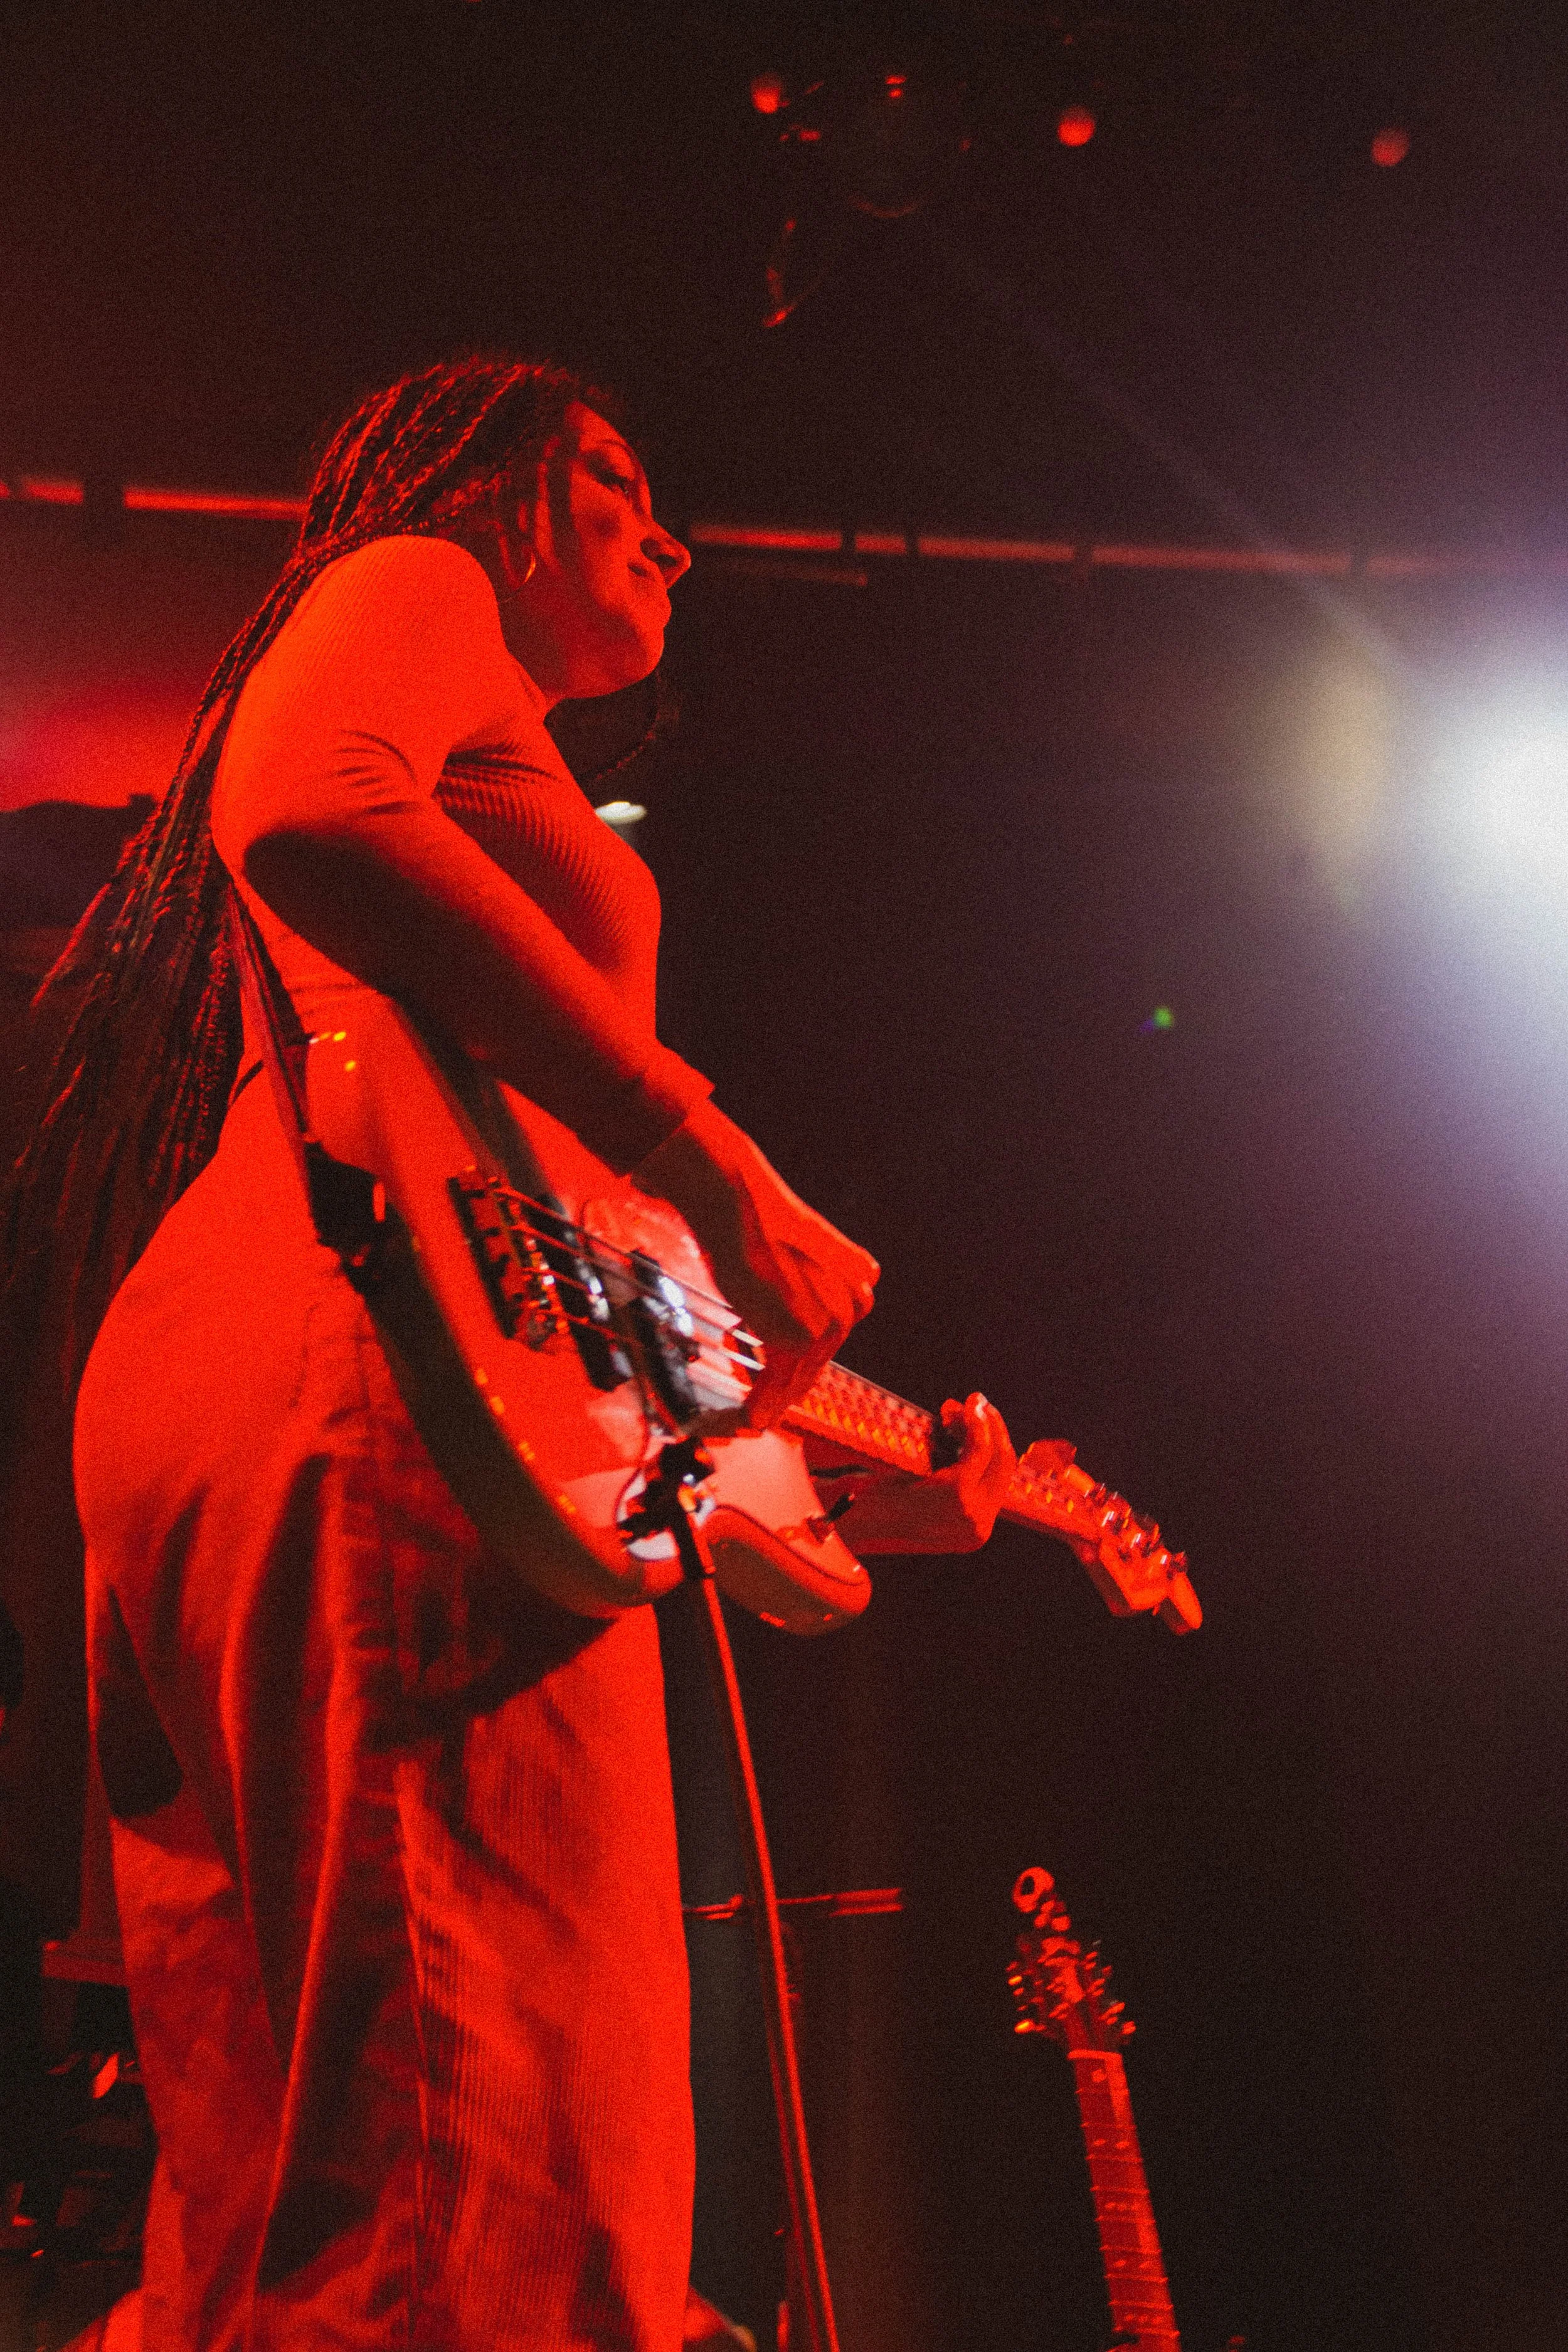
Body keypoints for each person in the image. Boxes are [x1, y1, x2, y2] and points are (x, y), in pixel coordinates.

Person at [8, 356, 1016, 2352]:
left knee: (283, 2185)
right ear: (482, 485)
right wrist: (705, 1150)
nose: (672, 533)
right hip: (361, 1363)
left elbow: (576, 1368)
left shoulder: (462, 831)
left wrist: (885, 1494)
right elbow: (299, 795)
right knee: (479, 2177)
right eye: (615, 481)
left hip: (285, 1359)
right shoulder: (418, 580)